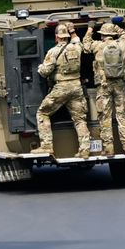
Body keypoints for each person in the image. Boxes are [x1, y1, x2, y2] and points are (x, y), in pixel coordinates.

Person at [32, 24, 91, 158]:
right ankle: (85, 150)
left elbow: (45, 72)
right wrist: (72, 31)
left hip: (61, 88)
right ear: (67, 36)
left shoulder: (53, 51)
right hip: (77, 86)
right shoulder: (77, 47)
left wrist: (40, 67)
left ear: (56, 37)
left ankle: (46, 146)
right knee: (80, 119)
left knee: (42, 113)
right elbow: (77, 40)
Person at [83, 22, 125, 155]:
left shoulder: (98, 46)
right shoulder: (121, 44)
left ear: (103, 35)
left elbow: (86, 45)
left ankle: (109, 149)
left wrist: (90, 28)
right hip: (119, 86)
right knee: (122, 116)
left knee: (105, 118)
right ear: (112, 34)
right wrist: (117, 27)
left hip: (104, 87)